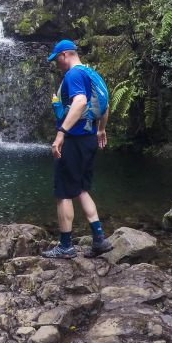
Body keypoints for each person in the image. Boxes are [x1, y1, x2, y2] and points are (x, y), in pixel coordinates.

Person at [41, 39, 113, 259]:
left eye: (57, 59)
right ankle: (99, 239)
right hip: (89, 139)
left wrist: (61, 133)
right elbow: (105, 105)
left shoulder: (73, 75)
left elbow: (80, 102)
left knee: (63, 193)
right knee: (82, 189)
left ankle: (65, 246)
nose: (57, 64)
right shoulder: (91, 74)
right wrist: (101, 130)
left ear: (65, 55)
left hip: (73, 140)